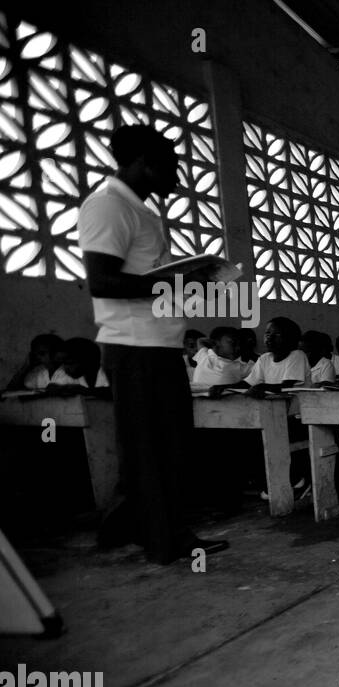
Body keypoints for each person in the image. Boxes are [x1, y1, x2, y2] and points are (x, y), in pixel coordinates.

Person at [78, 124, 227, 563]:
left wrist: (187, 280)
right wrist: (181, 277)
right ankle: (166, 540)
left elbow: (145, 278)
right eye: (172, 166)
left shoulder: (139, 211)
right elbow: (103, 282)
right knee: (157, 447)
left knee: (157, 443)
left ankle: (124, 526)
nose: (178, 177)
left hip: (156, 346)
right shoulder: (108, 206)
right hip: (136, 347)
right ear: (145, 162)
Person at [210, 316, 310, 398]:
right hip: (277, 408)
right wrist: (223, 387)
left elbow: (287, 386)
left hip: (298, 411)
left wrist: (262, 387)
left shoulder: (297, 355)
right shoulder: (264, 358)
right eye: (267, 333)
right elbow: (247, 384)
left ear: (289, 338)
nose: (269, 337)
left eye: (277, 334)